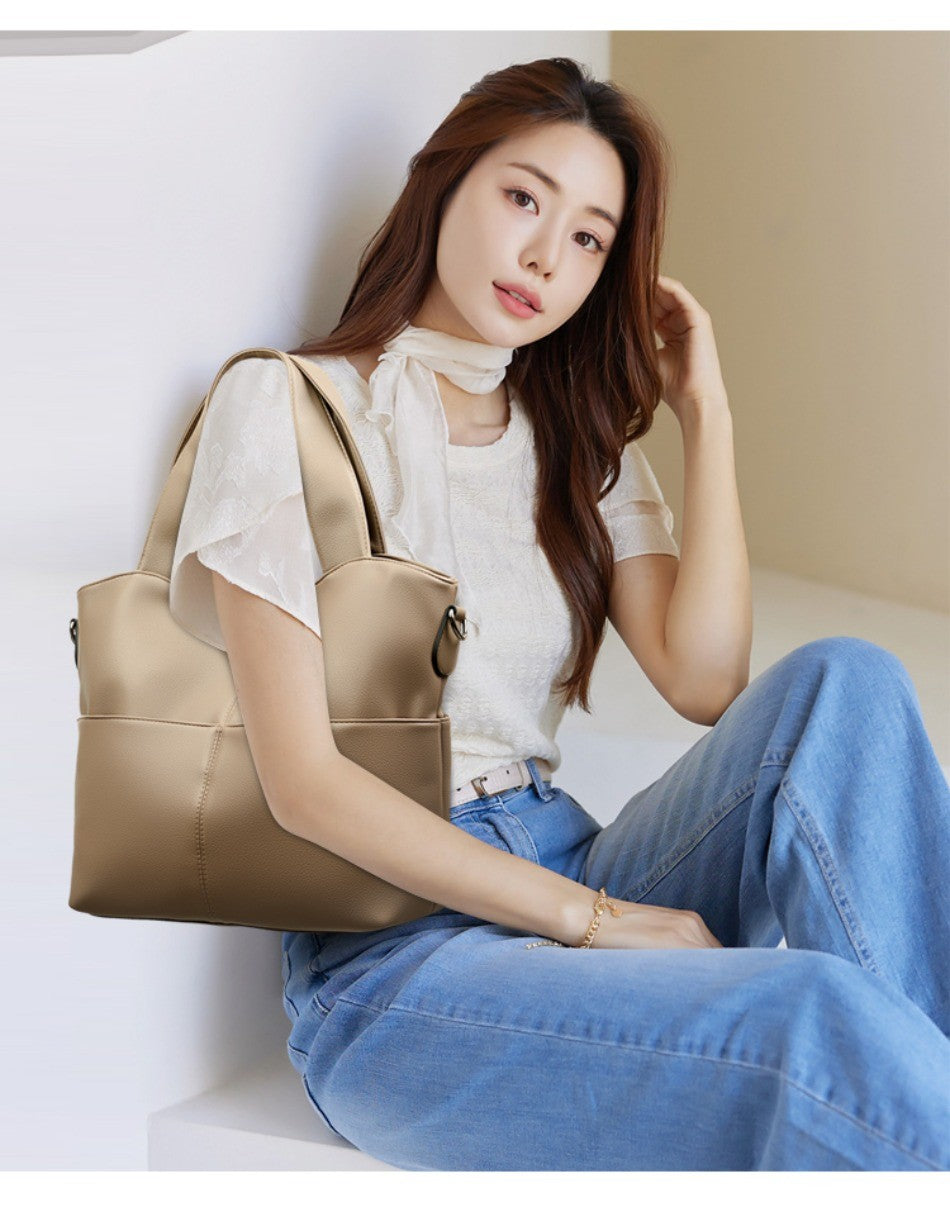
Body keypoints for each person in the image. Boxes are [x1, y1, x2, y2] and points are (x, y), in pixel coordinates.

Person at [168, 57, 950, 1172]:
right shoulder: (288, 406)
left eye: (589, 237)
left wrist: (706, 410)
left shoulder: (570, 441)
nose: (546, 255)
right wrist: (597, 922)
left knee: (847, 682)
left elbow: (705, 681)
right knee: (807, 1014)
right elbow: (305, 786)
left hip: (564, 854)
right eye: (522, 198)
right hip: (401, 963)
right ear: (443, 182)